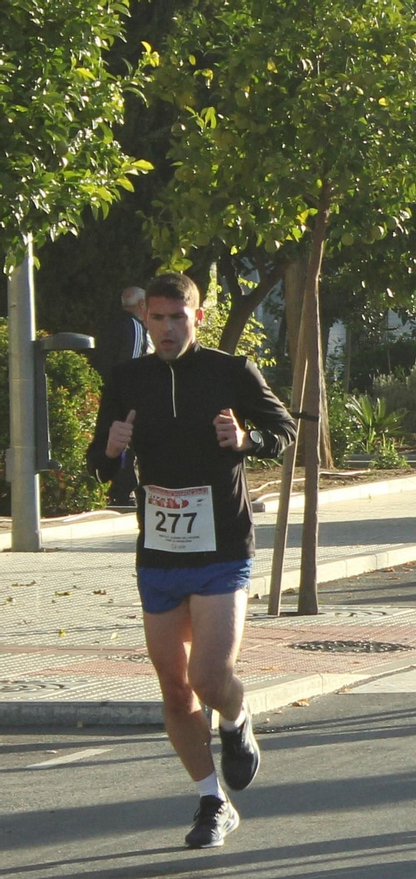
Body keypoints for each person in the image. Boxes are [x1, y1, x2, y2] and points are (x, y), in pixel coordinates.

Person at [87, 273, 295, 849]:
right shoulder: (128, 378)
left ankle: (235, 718)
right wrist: (109, 449)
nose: (169, 328)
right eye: (158, 319)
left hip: (223, 545)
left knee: (208, 676)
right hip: (158, 550)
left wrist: (246, 440)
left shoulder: (232, 371)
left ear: (196, 318)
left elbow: (286, 431)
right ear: (146, 322)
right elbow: (99, 467)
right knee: (176, 691)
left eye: (179, 318)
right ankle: (211, 801)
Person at [94, 286, 154, 507]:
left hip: (111, 393)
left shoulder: (113, 324)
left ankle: (120, 489)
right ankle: (124, 491)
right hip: (129, 397)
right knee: (127, 442)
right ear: (141, 305)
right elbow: (130, 364)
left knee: (118, 441)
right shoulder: (134, 326)